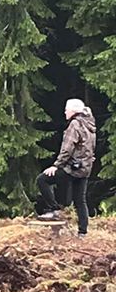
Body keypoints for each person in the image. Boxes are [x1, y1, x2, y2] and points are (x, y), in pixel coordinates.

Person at [35, 99, 96, 236]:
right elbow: (89, 148)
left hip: (72, 169)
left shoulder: (75, 124)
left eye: (66, 109)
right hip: (85, 168)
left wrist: (56, 166)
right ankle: (83, 233)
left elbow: (67, 149)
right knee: (80, 200)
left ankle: (54, 210)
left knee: (42, 180)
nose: (65, 112)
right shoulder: (89, 124)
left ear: (73, 111)